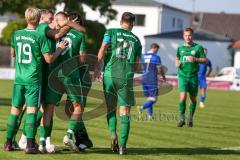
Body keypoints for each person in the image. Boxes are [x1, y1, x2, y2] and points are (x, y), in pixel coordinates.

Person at [4, 7, 67, 154]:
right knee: (32, 111)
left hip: (18, 79)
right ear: (39, 19)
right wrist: (59, 49)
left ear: (26, 18)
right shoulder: (40, 37)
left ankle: (8, 143)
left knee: (15, 111)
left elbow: (13, 54)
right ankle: (30, 145)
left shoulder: (16, 34)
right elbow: (49, 59)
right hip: (33, 80)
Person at [97, 12, 142, 155]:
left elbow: (102, 49)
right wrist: (130, 72)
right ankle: (122, 146)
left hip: (109, 75)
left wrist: (98, 69)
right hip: (125, 76)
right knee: (125, 112)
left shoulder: (111, 31)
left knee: (111, 108)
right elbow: (137, 64)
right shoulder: (136, 40)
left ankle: (112, 134)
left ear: (121, 21)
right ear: (132, 24)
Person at [44, 11, 87, 152]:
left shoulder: (54, 33)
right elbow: (82, 59)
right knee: (78, 107)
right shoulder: (80, 35)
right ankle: (69, 136)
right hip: (71, 74)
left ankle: (41, 141)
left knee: (47, 108)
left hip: (54, 74)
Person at [175, 27, 206, 128]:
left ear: (192, 36)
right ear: (183, 36)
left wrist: (196, 59)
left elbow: (204, 60)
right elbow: (177, 58)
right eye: (186, 35)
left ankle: (190, 118)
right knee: (183, 97)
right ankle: (181, 118)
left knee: (193, 99)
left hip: (193, 76)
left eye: (189, 35)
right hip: (182, 76)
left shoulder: (198, 48)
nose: (188, 37)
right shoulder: (180, 48)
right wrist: (177, 63)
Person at [138, 43, 166, 120]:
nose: (157, 51)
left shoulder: (143, 56)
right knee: (154, 99)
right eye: (157, 50)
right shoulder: (156, 57)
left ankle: (150, 115)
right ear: (154, 48)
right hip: (152, 79)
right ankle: (141, 107)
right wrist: (163, 76)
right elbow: (160, 68)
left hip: (144, 78)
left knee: (149, 98)